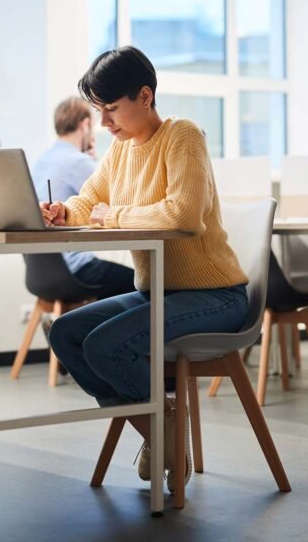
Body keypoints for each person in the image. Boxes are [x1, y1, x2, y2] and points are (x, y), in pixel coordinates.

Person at [42, 46, 250, 486]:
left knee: (105, 346)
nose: (104, 124)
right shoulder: (120, 151)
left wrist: (111, 215)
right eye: (100, 112)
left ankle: (160, 430)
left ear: (145, 96)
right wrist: (66, 211)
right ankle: (163, 428)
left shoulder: (183, 136)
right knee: (65, 332)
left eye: (112, 110)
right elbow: (90, 200)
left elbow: (183, 216)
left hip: (216, 296)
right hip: (158, 291)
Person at [31, 96, 135, 298]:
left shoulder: (42, 160)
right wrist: (94, 162)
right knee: (142, 285)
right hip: (75, 268)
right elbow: (119, 201)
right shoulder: (78, 162)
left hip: (40, 273)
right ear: (86, 125)